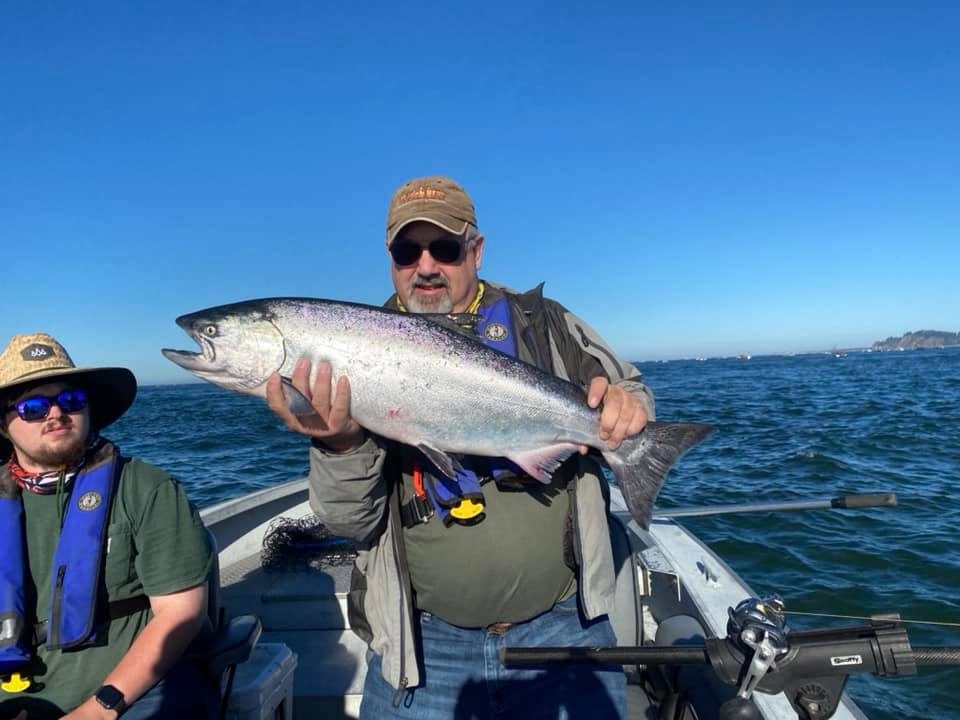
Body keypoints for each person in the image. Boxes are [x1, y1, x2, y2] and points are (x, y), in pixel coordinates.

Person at [267, 176, 655, 719]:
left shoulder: (545, 324)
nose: (425, 266)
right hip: (423, 651)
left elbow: (634, 393)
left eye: (444, 248)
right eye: (408, 251)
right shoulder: (350, 352)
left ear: (475, 249)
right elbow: (350, 521)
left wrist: (627, 406)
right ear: (390, 257)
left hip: (563, 630)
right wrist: (339, 444)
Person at [0, 334, 218, 720]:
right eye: (33, 406)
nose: (55, 414)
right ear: (4, 424)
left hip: (129, 697)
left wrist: (99, 710)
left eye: (70, 401)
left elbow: (180, 613)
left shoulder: (146, 488)